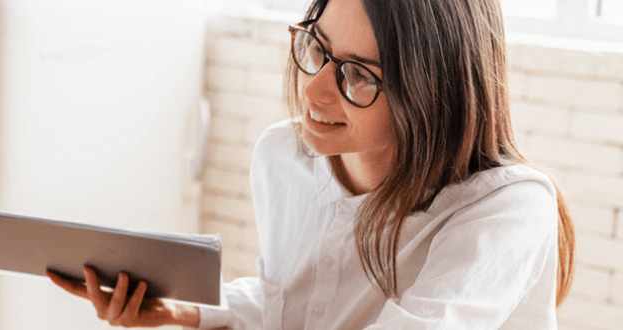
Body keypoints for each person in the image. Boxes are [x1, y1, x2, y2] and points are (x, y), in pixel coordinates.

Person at [47, 0, 576, 328]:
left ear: (434, 93)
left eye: (359, 76)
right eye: (317, 48)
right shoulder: (285, 158)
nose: (315, 91)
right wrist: (181, 311)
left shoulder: (508, 206)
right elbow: (289, 304)